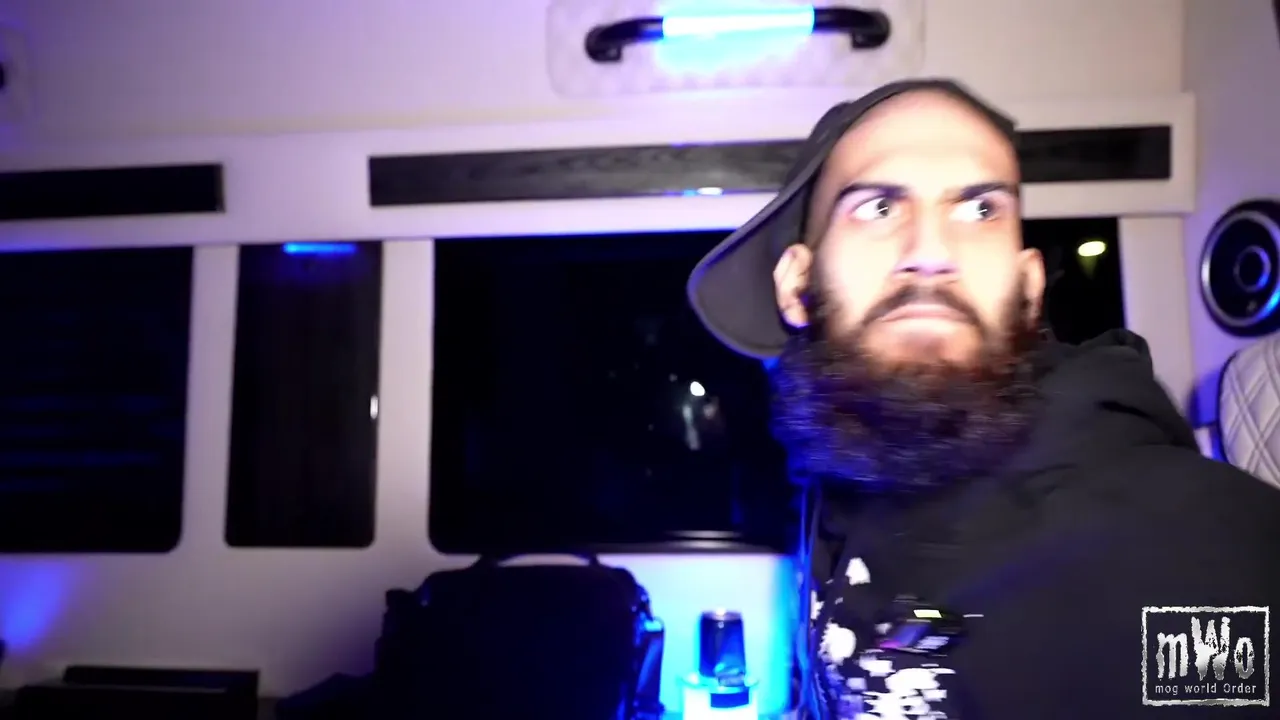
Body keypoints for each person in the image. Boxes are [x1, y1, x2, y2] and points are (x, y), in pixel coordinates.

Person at [686, 78, 1280, 719]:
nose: (931, 252)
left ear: (1028, 287)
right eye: (878, 208)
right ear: (797, 284)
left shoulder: (1191, 546)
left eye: (979, 211)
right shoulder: (841, 479)